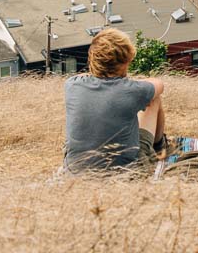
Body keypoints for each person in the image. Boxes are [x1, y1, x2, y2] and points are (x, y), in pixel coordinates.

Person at [64, 28, 166, 173]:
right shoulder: (132, 91)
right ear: (126, 59)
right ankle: (159, 147)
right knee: (154, 99)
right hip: (123, 175)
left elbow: (89, 77)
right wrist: (130, 82)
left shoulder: (71, 85)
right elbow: (159, 84)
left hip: (75, 172)